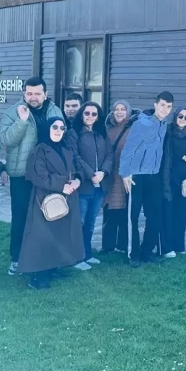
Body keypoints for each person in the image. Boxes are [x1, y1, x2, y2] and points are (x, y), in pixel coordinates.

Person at [0, 77, 63, 275]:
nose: (33, 97)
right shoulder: (13, 112)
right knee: (21, 217)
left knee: (49, 215)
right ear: (24, 93)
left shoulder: (54, 111)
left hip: (48, 174)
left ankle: (48, 260)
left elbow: (62, 137)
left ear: (45, 93)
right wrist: (22, 121)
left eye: (37, 93)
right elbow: (6, 140)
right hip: (22, 174)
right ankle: (16, 259)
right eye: (29, 93)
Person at [18, 117, 83, 290]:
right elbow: (37, 176)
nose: (58, 131)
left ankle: (53, 268)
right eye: (54, 127)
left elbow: (76, 169)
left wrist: (77, 181)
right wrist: (62, 185)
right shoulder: (39, 150)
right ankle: (37, 276)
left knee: (59, 236)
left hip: (65, 198)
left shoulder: (65, 148)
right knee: (42, 237)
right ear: (47, 128)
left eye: (62, 128)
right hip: (46, 199)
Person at [120, 91, 172, 268]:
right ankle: (133, 254)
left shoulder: (164, 123)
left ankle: (147, 250)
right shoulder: (142, 123)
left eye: (169, 106)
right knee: (132, 217)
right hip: (135, 176)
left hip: (153, 175)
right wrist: (125, 174)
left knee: (155, 215)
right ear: (156, 104)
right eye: (163, 105)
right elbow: (128, 149)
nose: (166, 109)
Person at [66, 101, 112, 270]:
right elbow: (74, 156)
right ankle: (76, 258)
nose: (90, 117)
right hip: (84, 185)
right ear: (81, 114)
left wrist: (103, 173)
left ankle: (87, 253)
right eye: (87, 113)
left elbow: (109, 155)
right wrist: (91, 174)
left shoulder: (102, 133)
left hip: (99, 186)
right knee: (79, 221)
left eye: (94, 114)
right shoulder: (73, 133)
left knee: (91, 222)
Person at [160, 107, 186, 257]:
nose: (183, 119)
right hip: (168, 178)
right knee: (167, 213)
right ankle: (167, 247)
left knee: (181, 214)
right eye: (180, 116)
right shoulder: (168, 132)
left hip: (185, 182)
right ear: (175, 117)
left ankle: (179, 246)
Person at [102, 100, 136, 255]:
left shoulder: (133, 128)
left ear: (128, 111)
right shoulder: (106, 127)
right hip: (109, 173)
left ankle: (123, 244)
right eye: (117, 109)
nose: (120, 112)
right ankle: (107, 245)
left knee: (124, 209)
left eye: (123, 109)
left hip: (126, 174)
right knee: (109, 208)